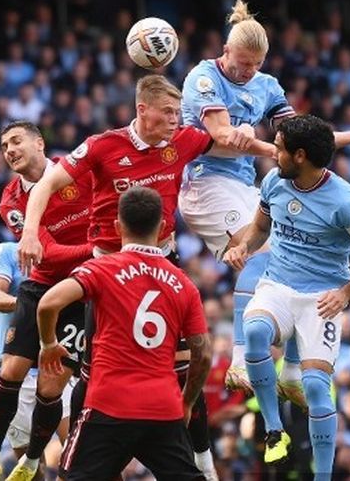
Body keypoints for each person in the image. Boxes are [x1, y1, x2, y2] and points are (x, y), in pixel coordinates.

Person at [17, 74, 274, 480]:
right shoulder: (104, 145)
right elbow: (47, 182)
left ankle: (203, 462)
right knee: (92, 372)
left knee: (184, 366)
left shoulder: (184, 140)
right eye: (168, 112)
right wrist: (30, 232)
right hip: (106, 272)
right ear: (142, 110)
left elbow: (225, 142)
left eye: (178, 111)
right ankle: (77, 457)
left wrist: (273, 149)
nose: (176, 119)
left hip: (160, 261)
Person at [178, 0, 350, 403]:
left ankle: (295, 371)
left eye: (255, 64)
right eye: (242, 62)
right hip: (206, 183)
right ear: (225, 50)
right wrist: (278, 151)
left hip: (244, 186)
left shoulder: (268, 87)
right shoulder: (204, 79)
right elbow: (224, 135)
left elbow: (305, 139)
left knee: (295, 261)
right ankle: (243, 362)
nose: (247, 71)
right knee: (264, 256)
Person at [224, 115, 350, 477]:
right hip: (278, 285)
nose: (273, 154)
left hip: (322, 298)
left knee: (317, 388)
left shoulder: (346, 203)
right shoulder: (273, 182)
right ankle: (273, 431)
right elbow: (258, 230)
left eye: (280, 149)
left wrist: (345, 292)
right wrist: (243, 248)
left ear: (299, 156)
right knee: (254, 333)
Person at [36, 187, 212, 480]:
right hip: (163, 407)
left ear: (118, 227)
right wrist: (187, 401)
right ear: (162, 227)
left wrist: (48, 344)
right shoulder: (184, 284)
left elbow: (48, 303)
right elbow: (203, 354)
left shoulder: (100, 269)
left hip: (108, 406)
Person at [0, 121, 93, 481]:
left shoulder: (79, 172)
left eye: (16, 141)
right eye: (4, 146)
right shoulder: (11, 201)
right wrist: (99, 250)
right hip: (42, 286)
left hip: (81, 290)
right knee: (10, 371)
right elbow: (47, 255)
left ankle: (30, 462)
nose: (9, 150)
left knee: (51, 386)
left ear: (40, 143)